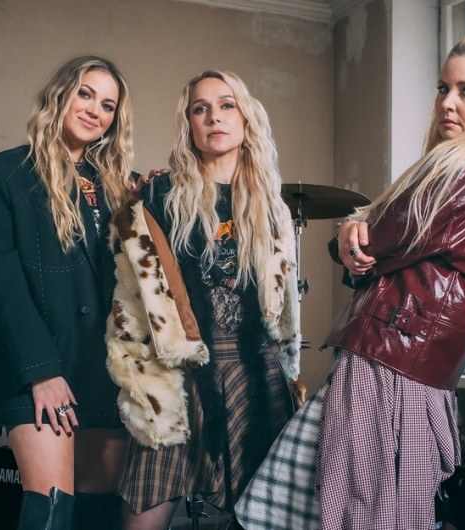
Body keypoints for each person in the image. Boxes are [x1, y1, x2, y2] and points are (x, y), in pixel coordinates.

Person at [234, 28, 465, 530]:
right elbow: (374, 242)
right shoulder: (462, 168)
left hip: (395, 353)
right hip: (402, 350)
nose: (448, 103)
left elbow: (373, 242)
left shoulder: (462, 170)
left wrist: (350, 231)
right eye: (443, 88)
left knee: (364, 504)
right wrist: (353, 232)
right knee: (346, 498)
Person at [106, 69, 301, 530]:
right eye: (201, 109)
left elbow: (285, 304)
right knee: (144, 509)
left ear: (246, 117)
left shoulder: (272, 206)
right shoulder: (161, 194)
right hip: (180, 368)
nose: (215, 116)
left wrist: (288, 369)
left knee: (261, 516)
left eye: (227, 105)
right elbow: (130, 289)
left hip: (255, 370)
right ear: (190, 125)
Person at [0, 55, 138, 530]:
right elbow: (3, 281)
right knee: (50, 511)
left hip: (105, 369)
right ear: (61, 93)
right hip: (40, 367)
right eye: (85, 93)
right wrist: (41, 371)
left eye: (107, 105)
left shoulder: (121, 186)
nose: (94, 110)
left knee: (97, 517)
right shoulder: (4, 172)